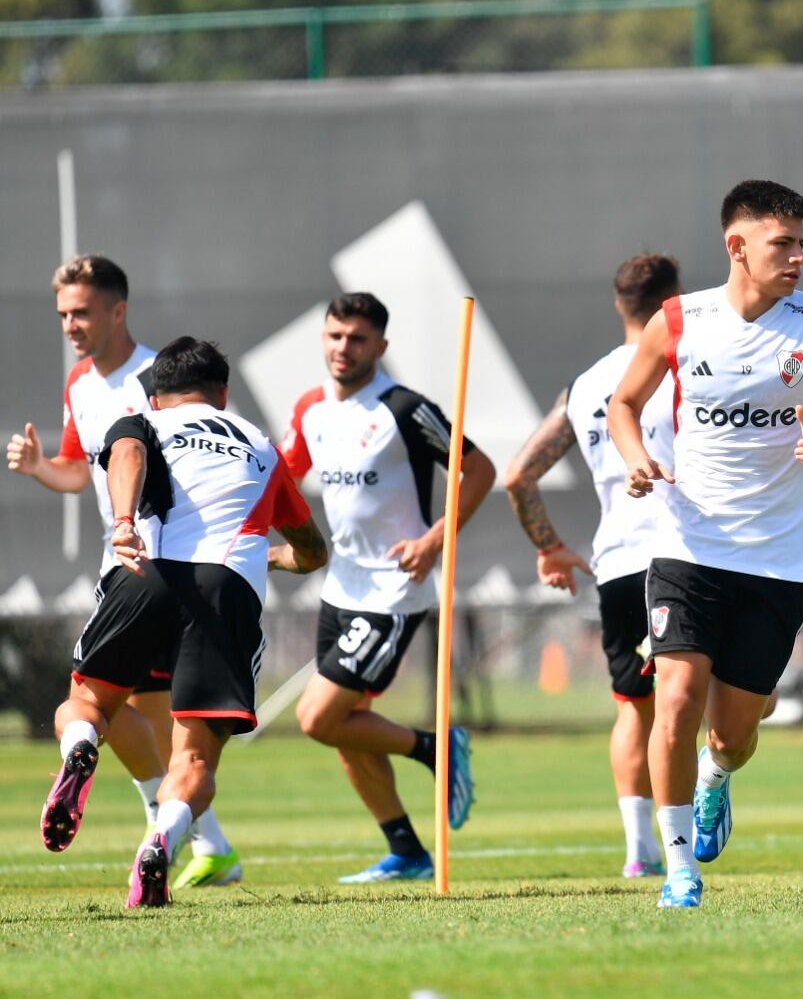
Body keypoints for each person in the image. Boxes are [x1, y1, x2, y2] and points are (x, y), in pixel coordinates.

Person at [608, 180, 803, 908]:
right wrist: (634, 458)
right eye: (782, 244)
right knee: (677, 692)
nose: (796, 258)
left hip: (782, 553)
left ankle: (716, 777)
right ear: (737, 247)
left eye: (801, 245)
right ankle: (679, 870)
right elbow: (622, 404)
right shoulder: (679, 322)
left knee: (732, 735)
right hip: (689, 542)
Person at [40, 336, 327, 908]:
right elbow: (312, 549)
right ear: (223, 393)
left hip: (145, 572)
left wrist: (123, 521)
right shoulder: (261, 445)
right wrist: (277, 558)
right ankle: (161, 843)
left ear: (155, 392)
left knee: (87, 705)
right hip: (226, 589)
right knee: (194, 758)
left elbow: (128, 456)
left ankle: (80, 747)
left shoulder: (141, 419)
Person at [9, 255, 243, 889]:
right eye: (62, 314)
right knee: (133, 713)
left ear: (119, 310)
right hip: (125, 569)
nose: (70, 325)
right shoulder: (80, 384)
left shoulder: (161, 381)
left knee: (115, 709)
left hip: (167, 571)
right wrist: (38, 468)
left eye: (82, 311)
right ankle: (195, 839)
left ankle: (190, 836)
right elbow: (78, 470)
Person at [279, 292, 494, 883]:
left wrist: (433, 540)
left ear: (380, 346)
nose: (342, 348)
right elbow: (284, 480)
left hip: (394, 593)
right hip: (339, 590)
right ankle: (406, 851)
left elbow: (479, 470)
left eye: (356, 338)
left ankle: (435, 749)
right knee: (348, 732)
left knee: (318, 718)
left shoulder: (403, 408)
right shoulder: (310, 408)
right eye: (334, 336)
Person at [505, 254, 681, 880]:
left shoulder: (585, 385)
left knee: (633, 708)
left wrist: (549, 546)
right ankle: (693, 823)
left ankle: (640, 850)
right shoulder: (685, 360)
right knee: (697, 696)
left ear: (618, 305)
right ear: (674, 301)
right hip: (686, 553)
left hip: (619, 564)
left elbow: (519, 475)